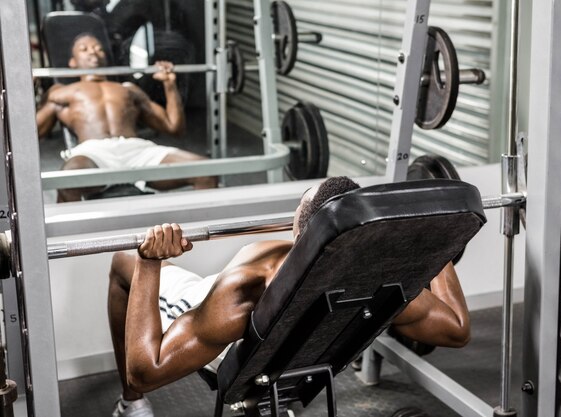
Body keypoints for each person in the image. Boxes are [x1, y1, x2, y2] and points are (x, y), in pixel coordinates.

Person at [107, 177, 471, 417]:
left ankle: (131, 407)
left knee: (122, 262)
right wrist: (431, 241)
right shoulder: (388, 282)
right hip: (292, 341)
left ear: (303, 236)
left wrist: (149, 260)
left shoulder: (248, 285)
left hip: (213, 313)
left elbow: (145, 372)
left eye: (296, 220)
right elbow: (457, 329)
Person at [36, 33, 217, 202]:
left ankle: (195, 234)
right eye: (84, 49)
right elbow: (33, 134)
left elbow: (174, 127)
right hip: (93, 152)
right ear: (72, 62)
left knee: (206, 171)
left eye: (98, 48)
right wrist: (27, 90)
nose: (92, 51)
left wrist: (169, 85)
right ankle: (70, 238)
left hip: (136, 150)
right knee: (67, 181)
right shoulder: (61, 92)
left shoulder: (128, 89)